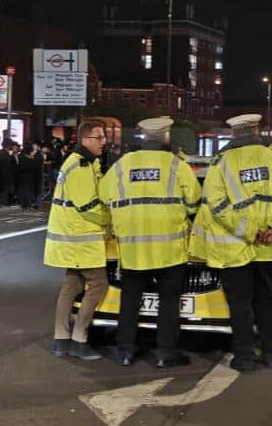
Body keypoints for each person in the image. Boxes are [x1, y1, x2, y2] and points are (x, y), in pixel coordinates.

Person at [192, 114, 272, 372]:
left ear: (234, 134)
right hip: (269, 247)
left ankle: (244, 358)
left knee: (240, 305)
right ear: (257, 130)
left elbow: (217, 206)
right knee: (266, 301)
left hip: (235, 247)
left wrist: (249, 231)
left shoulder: (222, 164)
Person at [100, 117, 201, 368]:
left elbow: (104, 196)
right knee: (168, 301)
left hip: (134, 247)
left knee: (130, 299)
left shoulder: (123, 165)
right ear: (166, 137)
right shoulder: (177, 165)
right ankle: (166, 353)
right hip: (170, 248)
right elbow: (193, 202)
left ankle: (125, 351)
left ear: (143, 138)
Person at [44, 120, 110, 361]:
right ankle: (79, 339)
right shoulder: (80, 166)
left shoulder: (80, 162)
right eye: (99, 138)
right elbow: (89, 206)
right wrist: (111, 222)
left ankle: (61, 339)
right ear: (85, 140)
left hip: (71, 236)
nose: (104, 142)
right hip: (81, 237)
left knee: (71, 286)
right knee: (99, 284)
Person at [17, 143, 41, 211]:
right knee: (29, 192)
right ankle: (28, 206)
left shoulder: (21, 157)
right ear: (30, 152)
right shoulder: (30, 160)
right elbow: (35, 168)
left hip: (22, 178)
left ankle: (23, 206)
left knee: (23, 191)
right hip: (29, 178)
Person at [0, 140, 15, 206]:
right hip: (6, 175)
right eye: (11, 145)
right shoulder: (8, 154)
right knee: (5, 189)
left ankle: (1, 201)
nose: (12, 146)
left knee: (1, 189)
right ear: (8, 145)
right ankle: (4, 202)